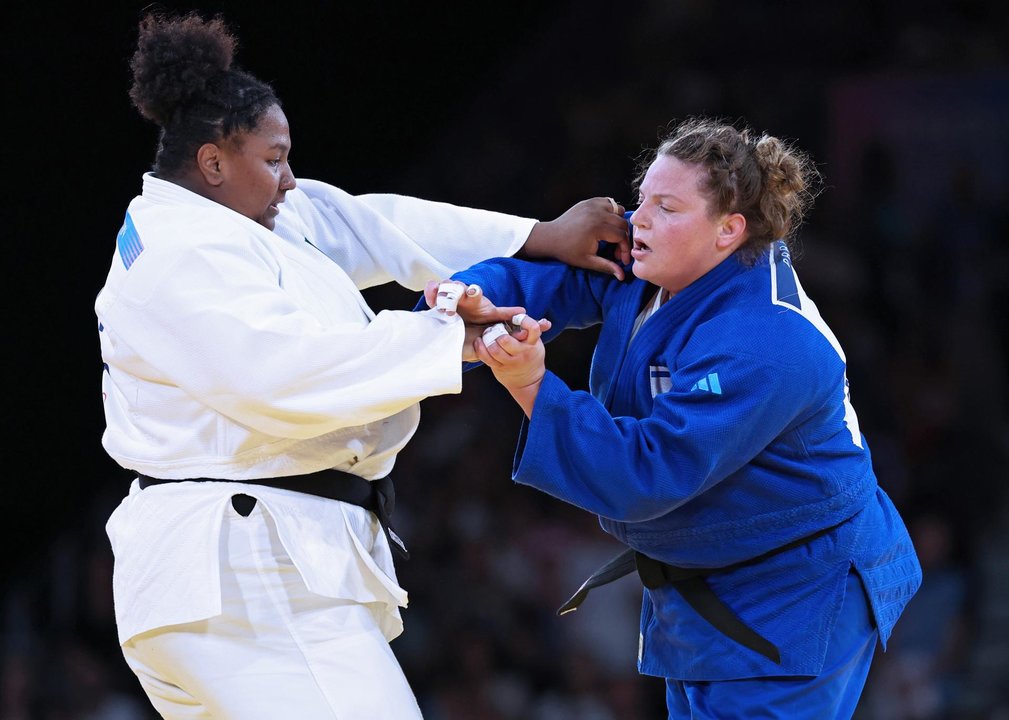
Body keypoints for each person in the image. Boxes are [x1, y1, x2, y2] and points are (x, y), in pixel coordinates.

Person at [96, 11, 629, 720]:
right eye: (274, 158)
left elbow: (376, 223)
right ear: (214, 162)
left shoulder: (239, 219)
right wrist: (453, 338)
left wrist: (537, 235)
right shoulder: (177, 257)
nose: (289, 178)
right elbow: (285, 376)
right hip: (248, 585)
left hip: (238, 583)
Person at [431, 117, 923, 718]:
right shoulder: (649, 269)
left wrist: (531, 385)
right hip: (705, 573)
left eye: (666, 207)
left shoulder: (767, 340)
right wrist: (461, 299)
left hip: (799, 587)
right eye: (641, 200)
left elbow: (646, 473)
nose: (638, 219)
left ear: (728, 231)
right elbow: (532, 278)